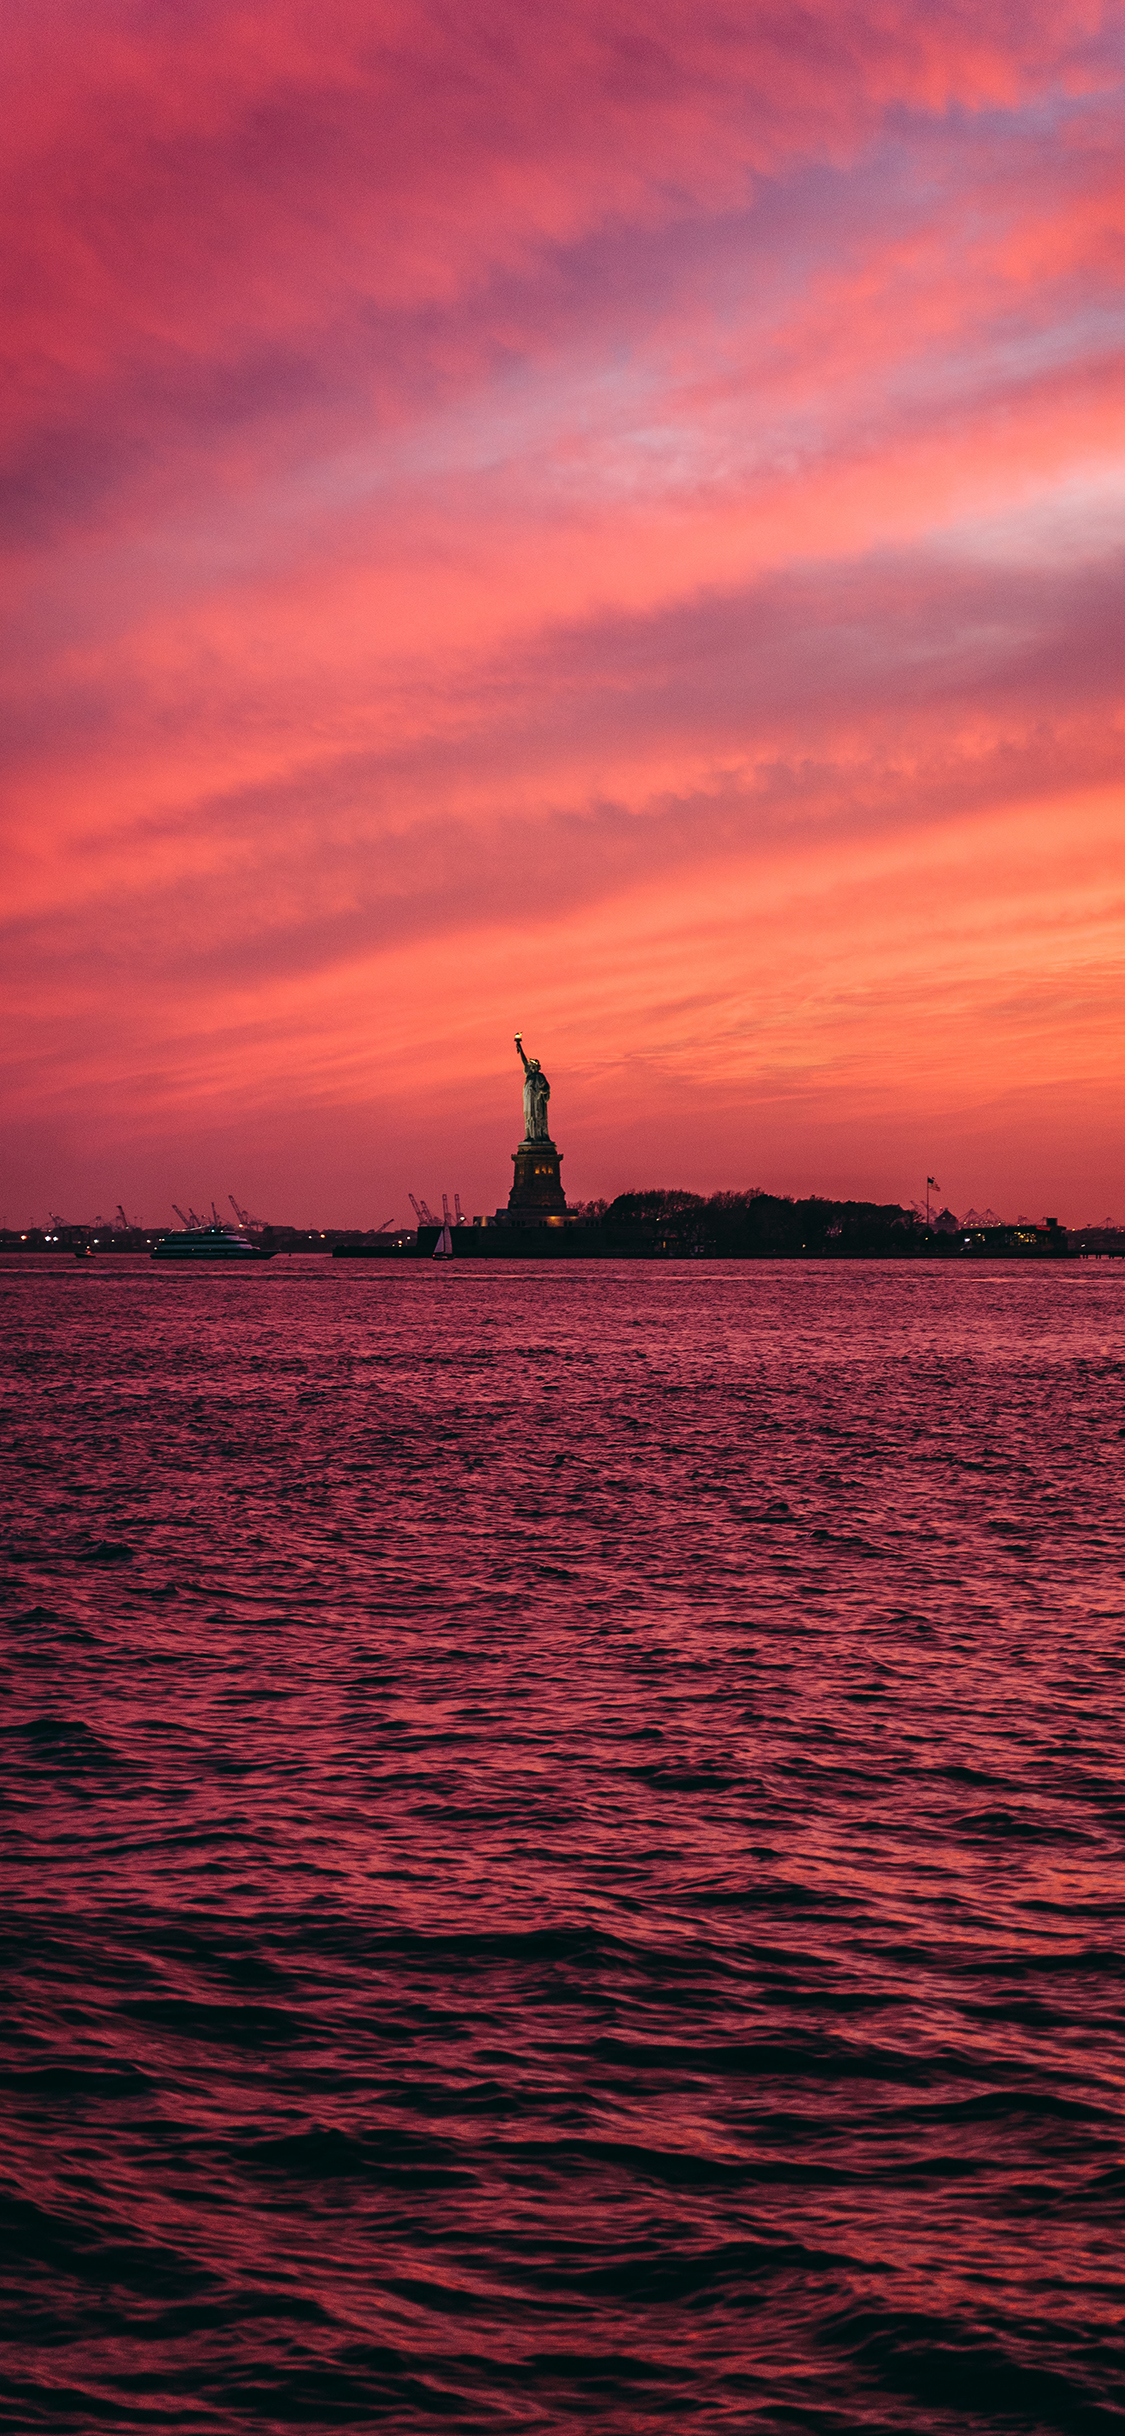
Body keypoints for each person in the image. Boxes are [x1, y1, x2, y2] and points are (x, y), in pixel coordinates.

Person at [515, 1035, 551, 1140]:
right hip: (528, 1100)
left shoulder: (540, 1077)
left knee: (537, 1117)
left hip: (537, 1101)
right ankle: (530, 1135)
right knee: (529, 1117)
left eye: (533, 1066)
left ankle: (539, 1135)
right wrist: (519, 1047)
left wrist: (542, 1091)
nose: (531, 1067)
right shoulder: (529, 1076)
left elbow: (546, 1088)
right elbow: (524, 1061)